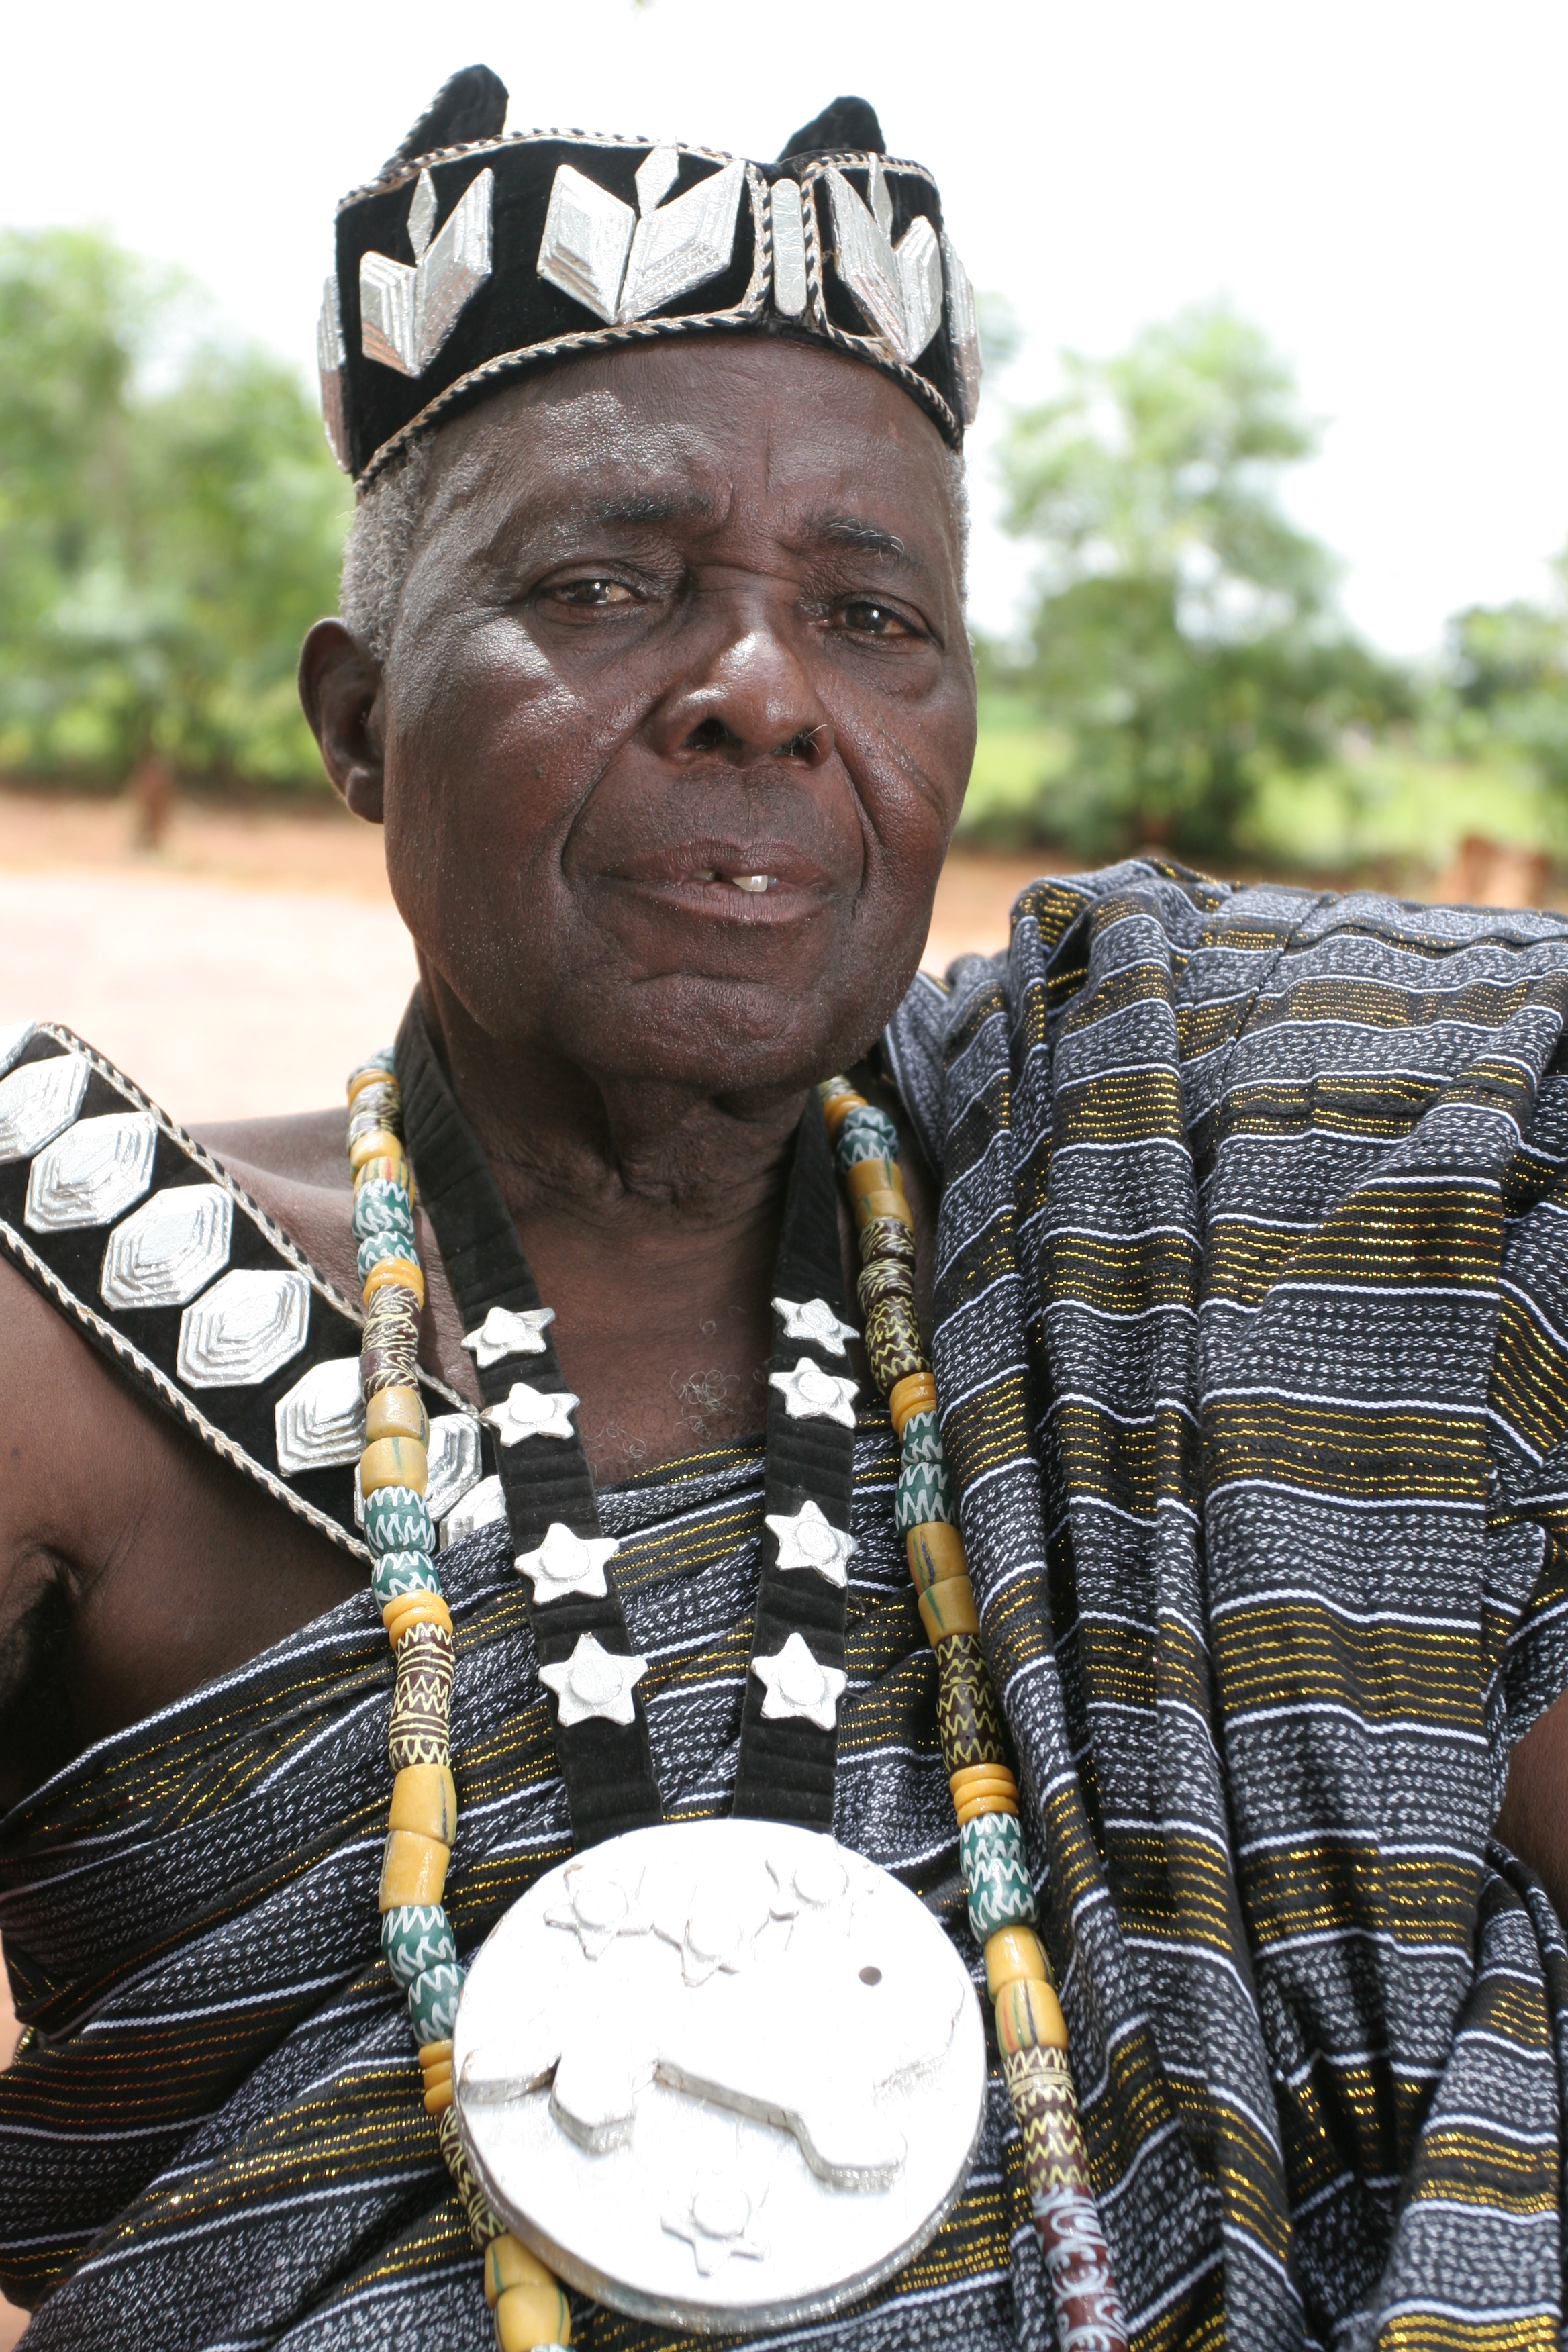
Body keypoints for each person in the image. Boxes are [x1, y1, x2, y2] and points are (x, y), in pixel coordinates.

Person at [3, 65, 1568, 2352]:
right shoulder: (82, 1314)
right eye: (607, 585)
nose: (760, 695)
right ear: (358, 719)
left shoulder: (1147, 1241)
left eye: (873, 619)